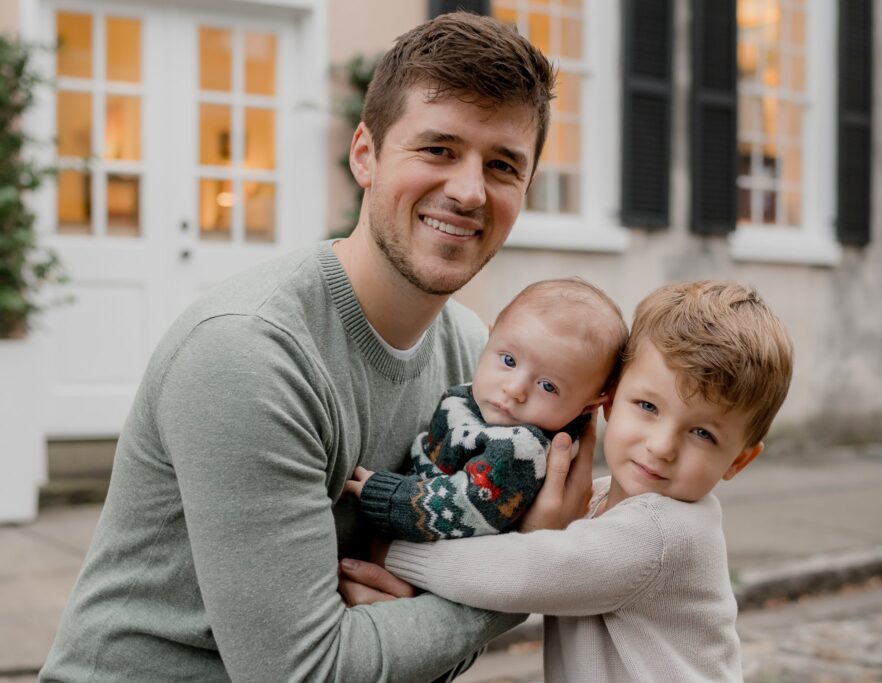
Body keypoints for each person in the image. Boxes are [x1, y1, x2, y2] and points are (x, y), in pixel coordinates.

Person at [41, 13, 591, 682]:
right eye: (438, 149)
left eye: (502, 165)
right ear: (365, 153)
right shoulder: (250, 354)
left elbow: (414, 642)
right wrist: (525, 570)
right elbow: (302, 673)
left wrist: (422, 620)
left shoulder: (484, 365)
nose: (470, 190)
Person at [355, 281, 794, 682]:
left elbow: (519, 575)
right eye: (647, 406)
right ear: (608, 400)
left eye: (702, 433)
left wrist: (394, 549)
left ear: (739, 460)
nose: (661, 446)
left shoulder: (662, 533)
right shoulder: (599, 498)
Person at [345, 278, 628, 541]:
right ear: (488, 340)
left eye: (548, 386)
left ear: (588, 407)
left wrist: (386, 495)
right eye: (508, 360)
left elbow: (467, 507)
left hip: (440, 543)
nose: (515, 389)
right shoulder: (480, 398)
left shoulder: (521, 449)